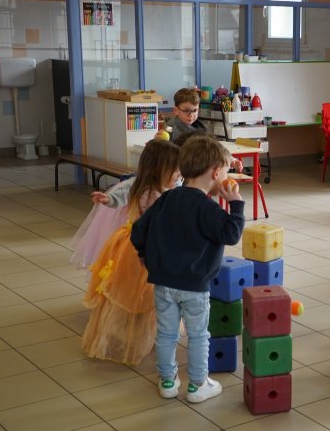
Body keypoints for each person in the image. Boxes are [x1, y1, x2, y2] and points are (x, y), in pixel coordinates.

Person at [131, 135, 245, 403]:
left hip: (163, 284)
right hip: (194, 287)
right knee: (198, 335)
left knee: (166, 334)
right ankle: (197, 385)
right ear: (215, 173)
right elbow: (231, 234)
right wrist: (236, 205)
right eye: (225, 171)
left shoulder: (166, 199)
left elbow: (138, 230)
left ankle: (168, 382)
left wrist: (144, 255)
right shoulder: (207, 208)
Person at [81, 140, 181, 365]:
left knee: (144, 294)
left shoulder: (164, 188)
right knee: (138, 293)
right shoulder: (146, 189)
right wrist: (108, 199)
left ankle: (146, 332)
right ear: (157, 169)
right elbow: (121, 194)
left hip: (137, 245)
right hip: (139, 250)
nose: (178, 174)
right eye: (174, 170)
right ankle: (134, 335)